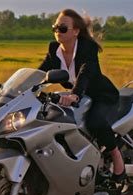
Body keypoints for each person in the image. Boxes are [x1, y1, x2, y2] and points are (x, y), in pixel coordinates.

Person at [38, 9, 126, 183]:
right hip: (79, 96)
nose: (57, 31)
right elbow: (39, 72)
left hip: (101, 96)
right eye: (55, 27)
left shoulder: (87, 47)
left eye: (63, 28)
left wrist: (74, 95)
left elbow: (86, 72)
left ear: (76, 31)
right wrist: (18, 91)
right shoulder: (54, 49)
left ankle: (116, 155)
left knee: (95, 122)